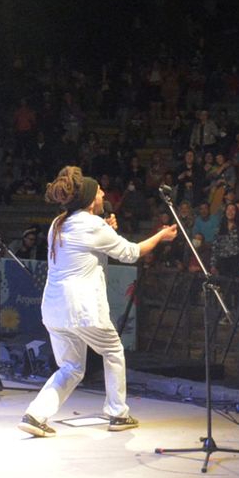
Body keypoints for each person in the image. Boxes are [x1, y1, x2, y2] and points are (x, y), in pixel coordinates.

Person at [17, 167, 178, 438]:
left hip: (55, 309)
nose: (103, 193)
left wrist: (106, 228)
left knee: (71, 367)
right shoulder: (93, 225)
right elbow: (131, 253)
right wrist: (160, 236)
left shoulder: (59, 223)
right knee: (113, 351)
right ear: (91, 199)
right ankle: (117, 413)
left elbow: (89, 252)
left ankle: (36, 414)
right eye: (100, 191)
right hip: (82, 308)